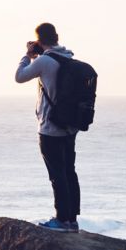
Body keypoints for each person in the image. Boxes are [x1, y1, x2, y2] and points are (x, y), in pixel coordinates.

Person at [15, 23, 80, 233]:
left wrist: (27, 55)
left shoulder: (44, 61)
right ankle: (71, 219)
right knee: (69, 171)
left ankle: (61, 219)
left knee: (56, 173)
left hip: (50, 127)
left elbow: (20, 76)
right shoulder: (69, 57)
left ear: (39, 40)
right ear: (57, 37)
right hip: (70, 126)